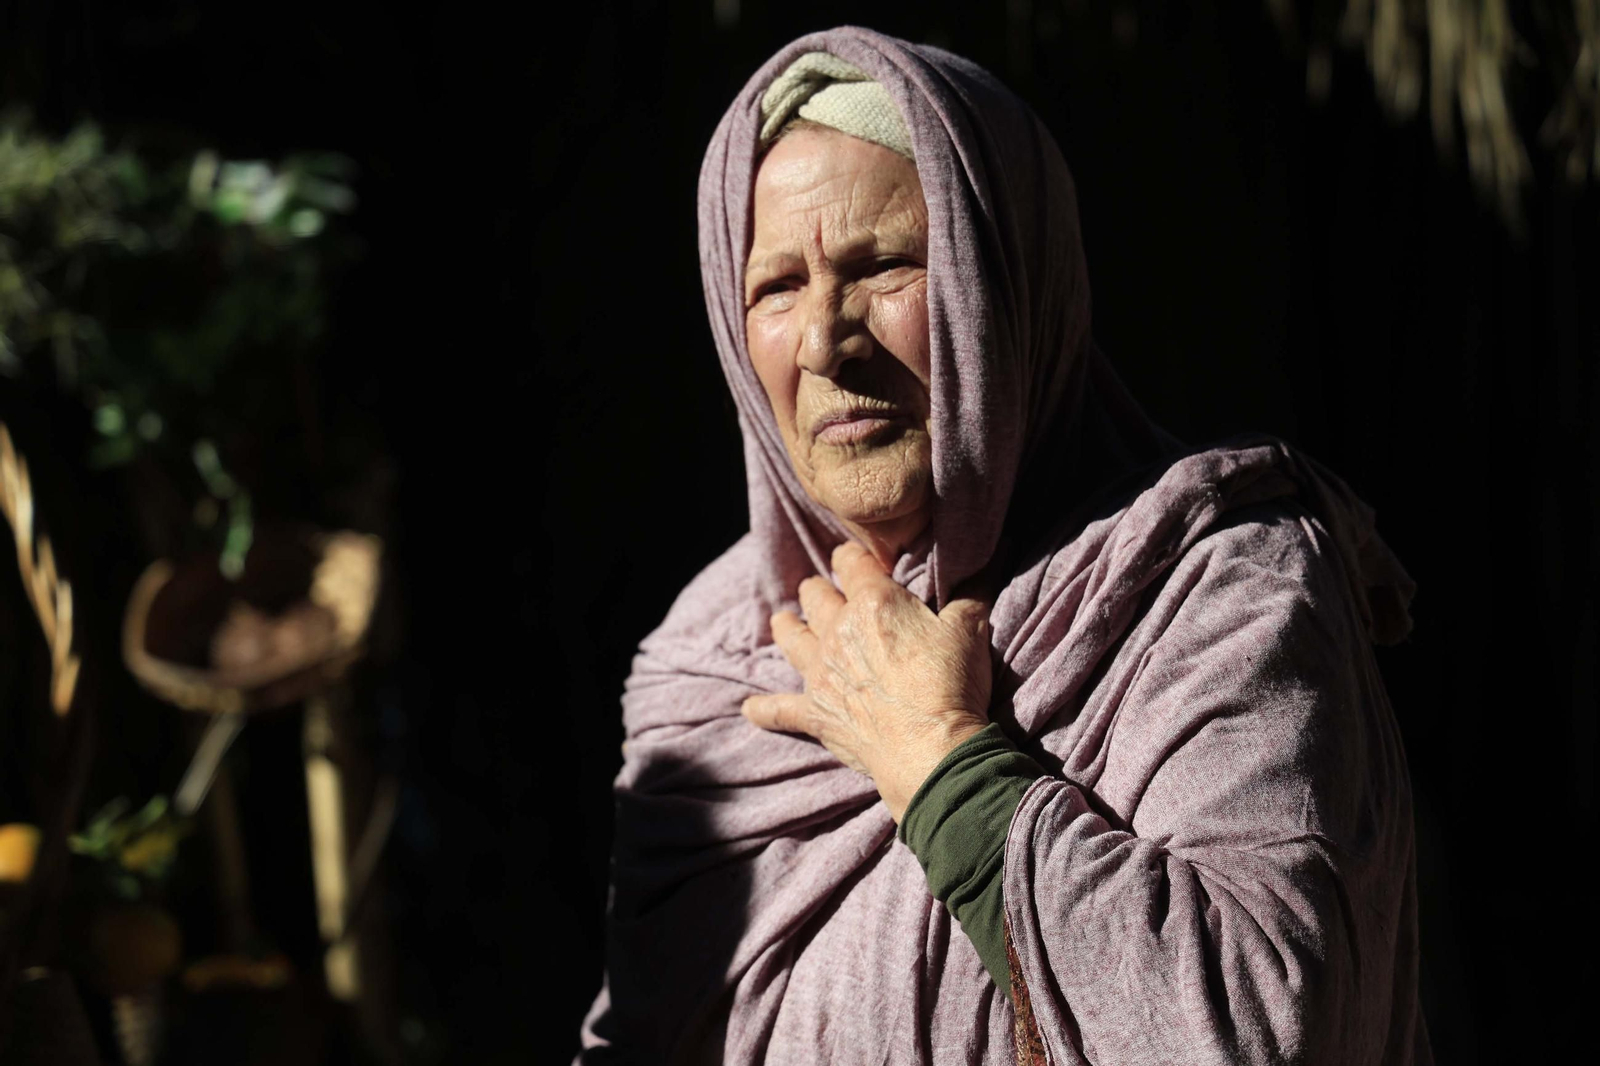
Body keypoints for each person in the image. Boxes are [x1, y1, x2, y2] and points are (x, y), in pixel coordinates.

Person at [577, 26, 1431, 1066]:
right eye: (777, 288)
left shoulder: (1213, 585)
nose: (824, 342)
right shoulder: (712, 661)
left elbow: (1259, 1032)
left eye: (884, 265)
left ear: (1010, 281)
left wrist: (945, 769)